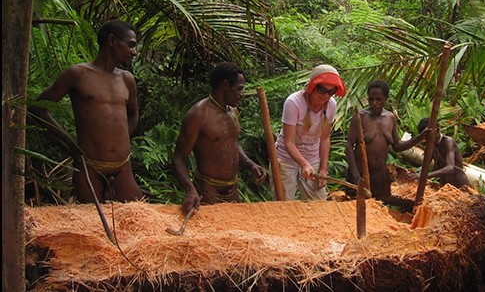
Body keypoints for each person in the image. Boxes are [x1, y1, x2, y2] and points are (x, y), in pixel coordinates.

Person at [29, 19, 144, 203]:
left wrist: (121, 139)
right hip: (89, 166)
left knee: (136, 218)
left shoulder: (127, 79)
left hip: (123, 166)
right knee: (90, 224)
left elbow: (133, 114)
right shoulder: (77, 74)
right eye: (131, 45)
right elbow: (37, 108)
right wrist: (70, 145)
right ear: (112, 41)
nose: (134, 52)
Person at [171, 62, 267, 213]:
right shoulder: (199, 114)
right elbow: (178, 158)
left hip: (232, 191)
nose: (242, 94)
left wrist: (250, 165)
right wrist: (190, 190)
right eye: (239, 88)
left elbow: (231, 143)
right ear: (225, 85)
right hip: (208, 192)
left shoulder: (233, 110)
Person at [344, 80, 425, 210]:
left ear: (386, 99)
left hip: (380, 173)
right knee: (358, 206)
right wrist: (355, 174)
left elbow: (397, 146)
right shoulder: (361, 117)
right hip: (361, 170)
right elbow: (348, 147)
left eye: (378, 99)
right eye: (371, 99)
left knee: (381, 202)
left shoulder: (390, 118)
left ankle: (414, 205)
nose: (374, 103)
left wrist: (419, 138)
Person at [273, 64, 346, 200]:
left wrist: (323, 169)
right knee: (283, 205)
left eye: (331, 92)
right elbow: (289, 142)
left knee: (318, 205)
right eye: (322, 90)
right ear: (312, 87)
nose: (326, 95)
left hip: (312, 158)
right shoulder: (294, 102)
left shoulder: (331, 105)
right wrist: (303, 164)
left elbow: (325, 139)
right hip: (285, 159)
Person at [414, 117, 470, 189]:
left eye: (427, 135)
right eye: (424, 136)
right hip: (445, 185)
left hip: (459, 184)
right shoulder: (431, 145)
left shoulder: (448, 142)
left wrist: (425, 176)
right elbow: (426, 165)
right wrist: (416, 176)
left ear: (435, 129)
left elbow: (450, 168)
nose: (426, 139)